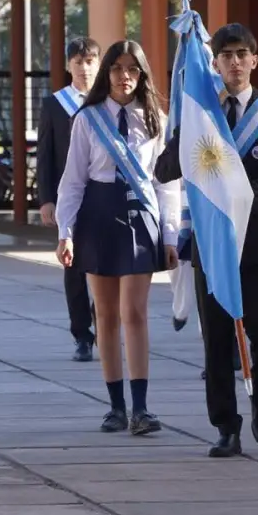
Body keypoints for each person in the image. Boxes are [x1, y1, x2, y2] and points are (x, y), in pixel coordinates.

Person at [155, 23, 258, 458]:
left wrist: (242, 195)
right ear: (213, 63)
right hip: (211, 238)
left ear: (255, 60)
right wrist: (193, 126)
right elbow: (165, 169)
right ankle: (226, 425)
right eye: (226, 55)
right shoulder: (203, 113)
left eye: (242, 54)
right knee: (216, 336)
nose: (235, 62)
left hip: (256, 235)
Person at [56, 40, 180, 436]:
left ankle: (142, 408)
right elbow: (72, 181)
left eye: (132, 69)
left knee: (135, 313)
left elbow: (166, 185)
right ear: (106, 72)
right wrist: (66, 231)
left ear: (142, 74)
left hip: (141, 218)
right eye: (117, 68)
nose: (124, 76)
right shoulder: (87, 119)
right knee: (105, 315)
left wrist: (171, 234)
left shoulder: (155, 119)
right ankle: (115, 407)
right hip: (97, 215)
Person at [38, 37, 101, 361]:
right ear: (68, 66)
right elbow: (46, 155)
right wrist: (46, 199)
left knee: (106, 264)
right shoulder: (55, 105)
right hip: (70, 197)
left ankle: (103, 324)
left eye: (90, 60)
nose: (84, 67)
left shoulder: (110, 102)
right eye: (78, 61)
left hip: (105, 195)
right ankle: (82, 334)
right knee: (73, 265)